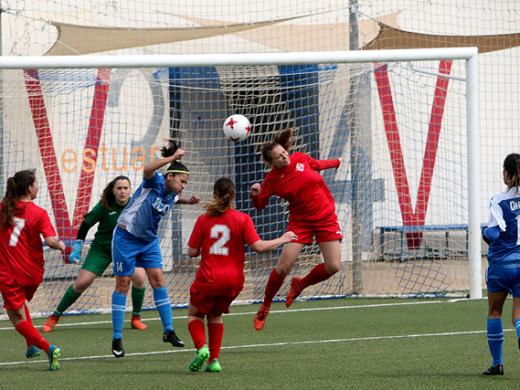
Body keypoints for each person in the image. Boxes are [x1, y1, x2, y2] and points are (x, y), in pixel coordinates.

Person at [186, 177, 297, 372]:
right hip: (233, 281)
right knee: (216, 315)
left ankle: (201, 347)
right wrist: (283, 238)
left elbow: (192, 252)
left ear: (214, 195)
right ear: (234, 196)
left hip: (209, 278)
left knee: (195, 314)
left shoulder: (203, 220)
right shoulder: (242, 218)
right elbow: (259, 247)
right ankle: (214, 361)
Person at [110, 140, 200, 358]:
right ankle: (117, 337)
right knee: (123, 284)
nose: (184, 185)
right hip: (125, 237)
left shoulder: (171, 193)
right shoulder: (155, 182)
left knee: (158, 280)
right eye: (182, 181)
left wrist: (189, 201)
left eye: (186, 183)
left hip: (148, 242)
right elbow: (148, 169)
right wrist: (172, 159)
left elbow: (174, 199)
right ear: (170, 176)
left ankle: (169, 331)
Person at [250, 128, 342, 330]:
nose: (284, 157)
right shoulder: (272, 179)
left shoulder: (300, 158)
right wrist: (255, 195)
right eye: (279, 157)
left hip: (325, 217)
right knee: (283, 267)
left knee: (333, 266)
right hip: (300, 223)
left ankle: (300, 284)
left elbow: (317, 165)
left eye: (284, 152)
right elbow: (260, 205)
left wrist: (336, 162)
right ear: (271, 163)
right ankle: (265, 305)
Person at [42, 176, 148, 332]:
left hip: (125, 251)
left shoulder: (136, 204)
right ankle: (55, 316)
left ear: (130, 190)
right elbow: (85, 224)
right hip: (102, 250)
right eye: (119, 188)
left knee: (139, 278)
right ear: (113, 190)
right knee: (81, 283)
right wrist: (78, 246)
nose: (122, 191)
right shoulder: (105, 206)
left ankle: (136, 318)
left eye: (126, 188)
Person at [0, 170, 66, 371]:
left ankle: (48, 348)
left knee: (16, 317)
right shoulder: (39, 213)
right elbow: (50, 241)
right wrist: (61, 246)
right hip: (33, 273)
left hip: (9, 272)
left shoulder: (3, 209)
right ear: (29, 188)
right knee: (18, 305)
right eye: (37, 183)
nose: (38, 186)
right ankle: (31, 346)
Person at [481, 153, 520, 376]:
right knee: (519, 314)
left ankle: (498, 364)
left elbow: (493, 233)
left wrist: (484, 233)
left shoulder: (499, 200)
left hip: (501, 265)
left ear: (505, 173)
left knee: (495, 311)